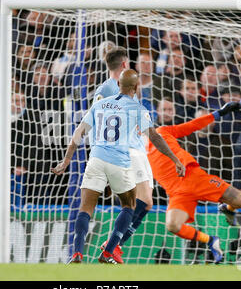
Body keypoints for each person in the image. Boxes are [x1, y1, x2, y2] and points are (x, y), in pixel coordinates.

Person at [52, 69, 185, 264]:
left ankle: (77, 253)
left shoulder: (99, 104)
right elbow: (155, 137)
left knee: (86, 207)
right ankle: (108, 251)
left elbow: (78, 134)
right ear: (136, 87)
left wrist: (65, 161)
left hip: (96, 159)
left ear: (118, 85)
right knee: (129, 205)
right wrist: (175, 159)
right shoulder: (136, 108)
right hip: (119, 162)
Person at [146, 100, 241, 263]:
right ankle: (210, 240)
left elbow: (192, 125)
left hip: (195, 178)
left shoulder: (163, 131)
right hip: (177, 192)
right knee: (173, 225)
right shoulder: (135, 152)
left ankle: (227, 208)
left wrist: (219, 113)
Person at [92, 47, 157, 263]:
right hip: (127, 151)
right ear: (123, 65)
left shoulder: (120, 88)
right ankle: (111, 246)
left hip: (136, 148)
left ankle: (112, 246)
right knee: (141, 201)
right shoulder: (108, 89)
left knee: (146, 202)